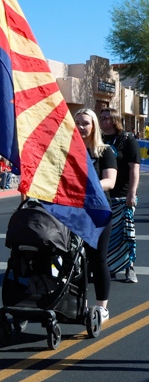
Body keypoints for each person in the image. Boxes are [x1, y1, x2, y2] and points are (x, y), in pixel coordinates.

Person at [75, 109, 116, 322]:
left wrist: (88, 189)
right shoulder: (69, 152)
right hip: (73, 213)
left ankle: (102, 307)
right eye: (78, 123)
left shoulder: (104, 151)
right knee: (74, 260)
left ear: (94, 127)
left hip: (98, 213)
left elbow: (110, 181)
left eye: (85, 123)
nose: (81, 127)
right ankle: (75, 302)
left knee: (97, 259)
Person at [98, 107, 139, 283]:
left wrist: (132, 194)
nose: (103, 121)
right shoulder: (98, 139)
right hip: (103, 195)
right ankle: (109, 268)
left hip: (123, 195)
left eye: (106, 118)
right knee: (105, 235)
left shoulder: (127, 140)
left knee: (125, 233)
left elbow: (134, 169)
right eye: (101, 118)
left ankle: (129, 269)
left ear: (115, 120)